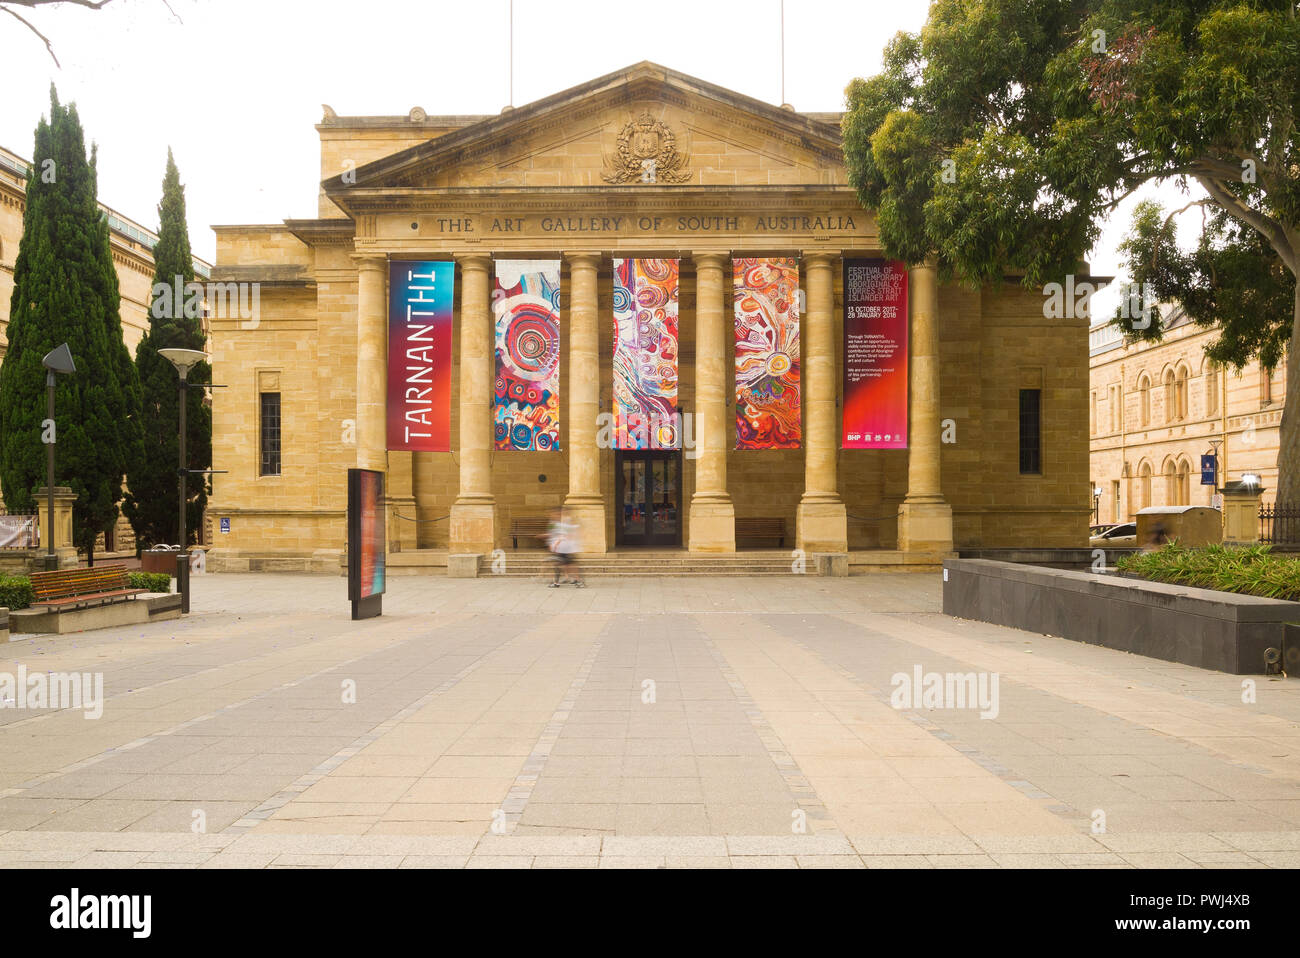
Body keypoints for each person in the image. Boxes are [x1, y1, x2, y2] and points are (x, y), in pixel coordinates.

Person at [546, 508, 585, 587]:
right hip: (565, 548)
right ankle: (577, 580)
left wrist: (556, 544)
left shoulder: (565, 523)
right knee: (569, 565)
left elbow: (565, 535)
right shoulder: (562, 523)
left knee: (561, 565)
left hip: (566, 548)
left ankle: (558, 582)